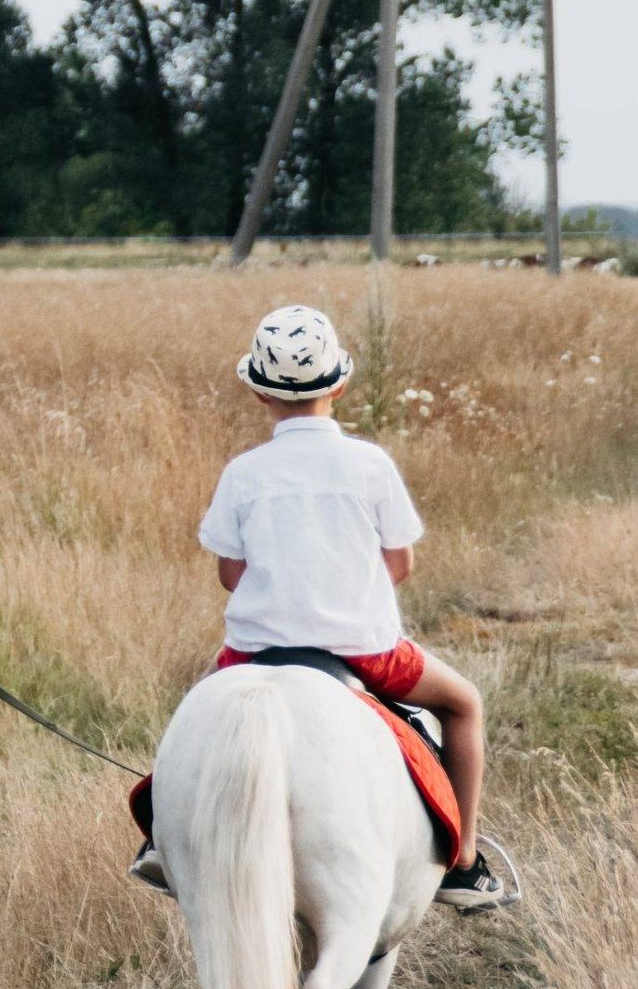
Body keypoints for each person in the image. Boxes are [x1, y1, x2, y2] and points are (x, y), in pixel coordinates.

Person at [132, 303, 506, 910]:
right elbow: (401, 564)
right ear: (342, 384)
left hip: (254, 654)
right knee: (464, 704)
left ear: (258, 394)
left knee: (192, 719)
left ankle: (160, 839)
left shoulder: (243, 473)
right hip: (368, 652)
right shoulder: (370, 464)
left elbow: (230, 574)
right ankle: (463, 864)